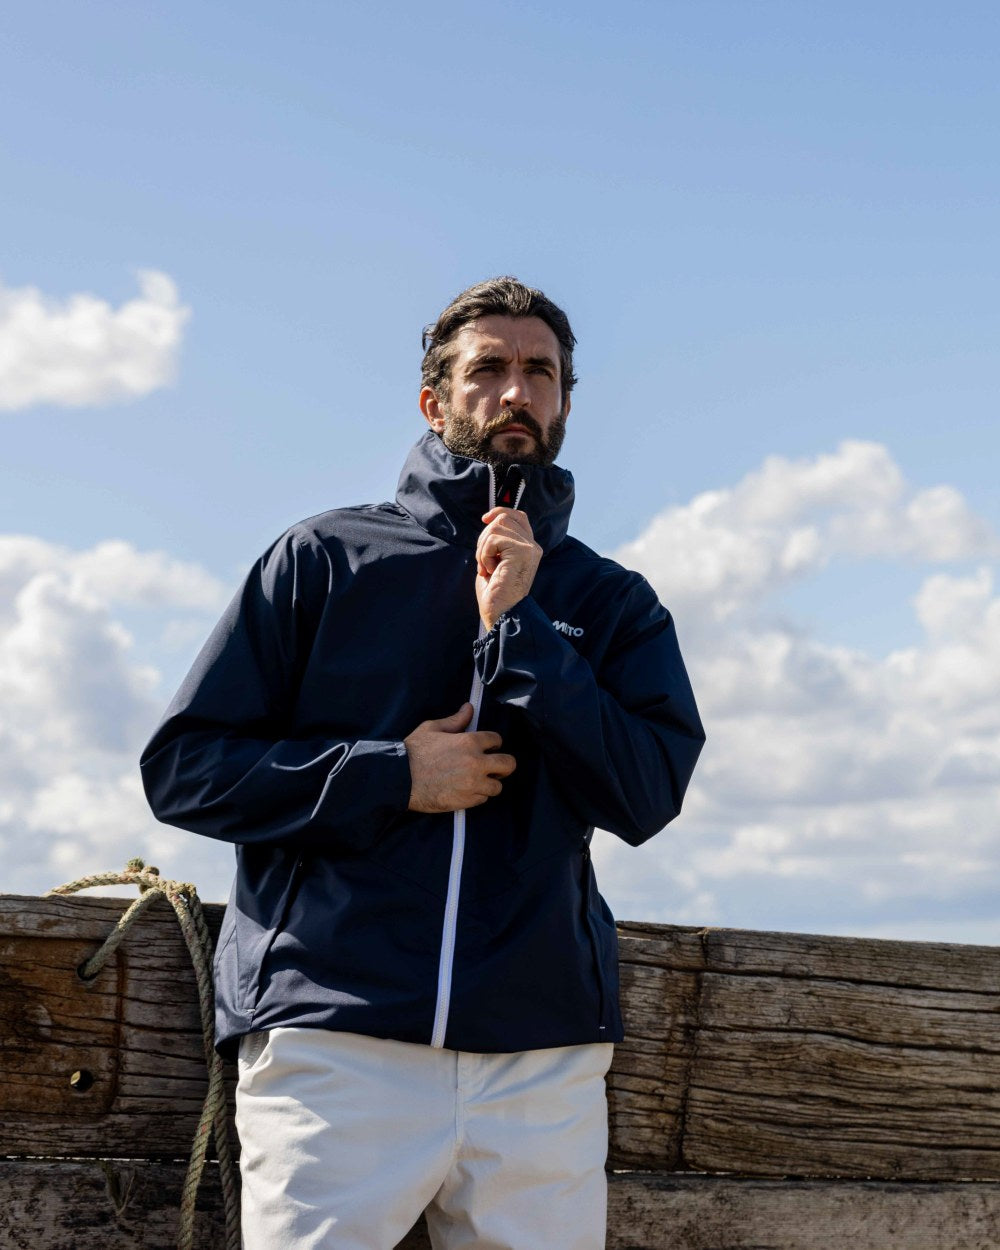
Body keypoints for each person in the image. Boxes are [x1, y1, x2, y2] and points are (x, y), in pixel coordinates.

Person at [140, 276, 704, 1250]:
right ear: (433, 400)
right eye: (488, 368)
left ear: (567, 400)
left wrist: (524, 632)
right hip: (336, 1039)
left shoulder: (610, 600)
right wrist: (391, 773)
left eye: (540, 372)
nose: (516, 391)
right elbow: (186, 767)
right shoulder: (323, 559)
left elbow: (648, 789)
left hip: (540, 1055)